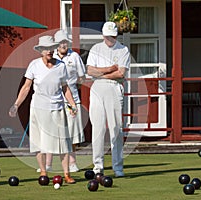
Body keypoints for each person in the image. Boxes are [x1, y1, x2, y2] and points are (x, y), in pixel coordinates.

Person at [9, 35, 77, 184]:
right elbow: (26, 87)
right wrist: (16, 105)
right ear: (40, 51)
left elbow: (65, 88)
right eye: (46, 49)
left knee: (63, 144)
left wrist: (72, 104)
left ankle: (66, 174)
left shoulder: (61, 66)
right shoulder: (34, 65)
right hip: (38, 109)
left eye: (51, 48)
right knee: (39, 144)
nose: (50, 51)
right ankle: (44, 173)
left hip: (57, 108)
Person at [36, 30, 86, 173]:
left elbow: (81, 78)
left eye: (66, 42)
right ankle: (48, 164)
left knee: (71, 134)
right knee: (51, 133)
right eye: (61, 42)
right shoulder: (51, 57)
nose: (64, 44)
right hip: (55, 101)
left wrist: (72, 92)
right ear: (56, 45)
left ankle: (72, 163)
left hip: (71, 99)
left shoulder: (75, 56)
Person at [86, 22, 130, 177]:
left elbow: (121, 73)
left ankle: (118, 167)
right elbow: (90, 70)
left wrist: (101, 74)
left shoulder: (123, 50)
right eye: (107, 36)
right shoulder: (96, 49)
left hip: (114, 86)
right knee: (98, 128)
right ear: (103, 35)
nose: (110, 39)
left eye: (112, 36)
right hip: (97, 87)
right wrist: (109, 69)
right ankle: (98, 166)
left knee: (116, 128)